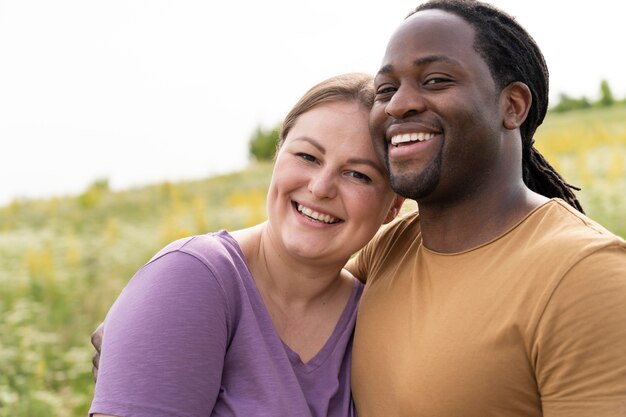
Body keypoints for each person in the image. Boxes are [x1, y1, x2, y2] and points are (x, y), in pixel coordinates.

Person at [347, 1, 626, 416]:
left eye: (436, 80)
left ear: (512, 106)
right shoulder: (382, 252)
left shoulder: (586, 275)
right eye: (386, 89)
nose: (398, 104)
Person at [89, 72, 404, 417]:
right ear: (277, 155)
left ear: (393, 206)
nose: (320, 187)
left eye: (358, 174)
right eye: (307, 157)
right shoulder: (193, 278)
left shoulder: (378, 317)